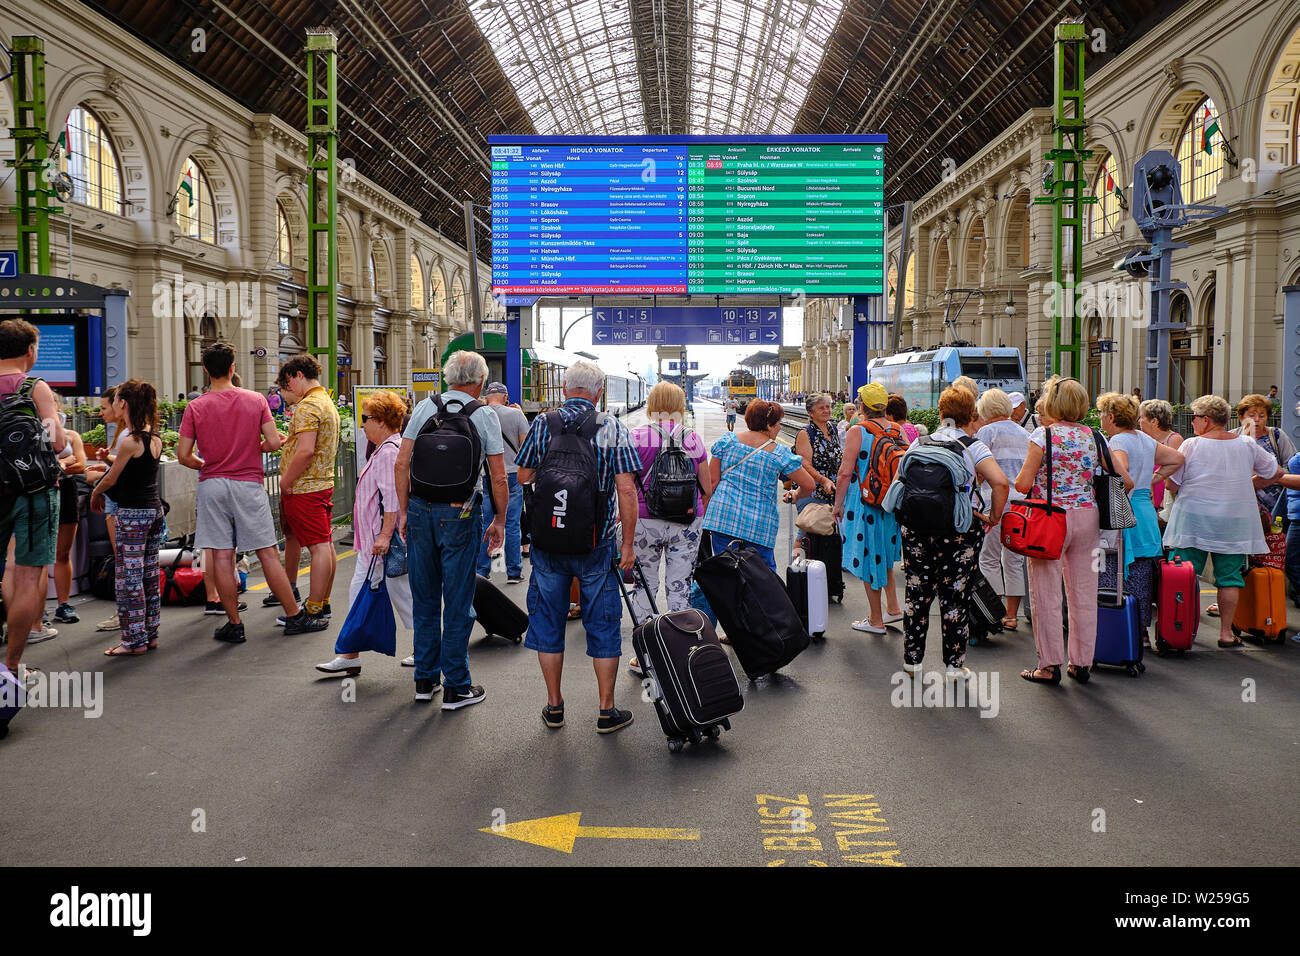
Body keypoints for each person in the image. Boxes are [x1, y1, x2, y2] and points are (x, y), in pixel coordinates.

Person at [515, 360, 639, 732]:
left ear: (565, 388)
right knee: (603, 624)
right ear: (599, 392)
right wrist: (628, 544)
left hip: (549, 543)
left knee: (548, 623)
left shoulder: (544, 423)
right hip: (596, 544)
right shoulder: (611, 426)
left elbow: (523, 475)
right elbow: (627, 488)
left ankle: (554, 706)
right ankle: (606, 710)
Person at [396, 350, 507, 709]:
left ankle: (424, 682)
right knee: (458, 603)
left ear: (447, 378)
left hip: (418, 511)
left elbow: (401, 463)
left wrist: (402, 511)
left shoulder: (425, 408)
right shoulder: (484, 414)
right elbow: (499, 476)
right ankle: (457, 686)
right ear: (479, 382)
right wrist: (500, 520)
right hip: (460, 513)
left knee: (425, 600)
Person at [178, 343, 305, 641]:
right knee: (268, 552)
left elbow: (183, 455)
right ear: (234, 368)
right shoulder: (255, 400)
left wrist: (206, 464)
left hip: (212, 484)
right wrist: (255, 447)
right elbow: (274, 441)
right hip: (248, 483)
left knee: (222, 555)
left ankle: (234, 624)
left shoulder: (196, 406)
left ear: (206, 370)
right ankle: (294, 615)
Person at [893, 387, 1008, 681]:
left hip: (917, 530)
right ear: (970, 414)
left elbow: (899, 482)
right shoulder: (973, 447)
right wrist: (992, 517)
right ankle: (954, 667)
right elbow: (1001, 483)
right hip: (959, 531)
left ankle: (912, 661)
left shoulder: (919, 443)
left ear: (941, 413)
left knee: (917, 594)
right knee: (955, 596)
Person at [1164, 395, 1285, 647]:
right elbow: (1274, 473)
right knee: (1229, 578)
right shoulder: (1247, 445)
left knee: (1186, 574)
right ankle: (1226, 633)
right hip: (1235, 519)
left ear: (1206, 420)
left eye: (1195, 417)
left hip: (1194, 518)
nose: (1193, 422)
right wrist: (1248, 484)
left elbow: (1172, 482)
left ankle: (1184, 628)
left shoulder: (1191, 445)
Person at [317, 390, 414, 676]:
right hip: (373, 543)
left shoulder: (387, 454)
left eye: (366, 418)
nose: (362, 424)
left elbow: (391, 499)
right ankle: (349, 653)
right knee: (363, 593)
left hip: (382, 544)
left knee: (403, 598)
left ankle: (426, 648)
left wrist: (384, 535)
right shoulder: (386, 449)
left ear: (382, 421)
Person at [1016, 378, 1100, 685]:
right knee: (1084, 593)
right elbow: (1122, 479)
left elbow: (1023, 484)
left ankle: (1049, 664)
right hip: (1088, 516)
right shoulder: (1094, 436)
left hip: (1051, 519)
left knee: (1046, 593)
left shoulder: (1044, 435)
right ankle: (1082, 662)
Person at [626, 382, 712, 675]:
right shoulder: (693, 439)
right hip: (686, 522)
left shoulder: (636, 436)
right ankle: (679, 656)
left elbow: (624, 488)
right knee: (679, 588)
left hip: (644, 521)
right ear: (679, 404)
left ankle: (645, 657)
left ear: (651, 403)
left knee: (644, 586)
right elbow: (707, 487)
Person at [0, 319, 67, 687]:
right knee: (27, 576)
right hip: (33, 491)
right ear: (30, 350)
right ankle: (12, 667)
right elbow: (56, 443)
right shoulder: (33, 387)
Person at [1097, 392, 1184, 642]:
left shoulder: (1117, 442)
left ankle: (1117, 630)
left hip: (1124, 512)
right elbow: (1177, 459)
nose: (1102, 419)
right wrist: (1153, 479)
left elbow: (1124, 477)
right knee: (1142, 575)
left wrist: (1119, 493)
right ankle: (1141, 630)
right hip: (1145, 511)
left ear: (1111, 417)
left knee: (1112, 574)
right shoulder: (1145, 439)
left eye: (1103, 414)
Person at [91, 380, 165, 657]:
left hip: (132, 515)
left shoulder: (129, 440)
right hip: (154, 511)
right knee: (148, 574)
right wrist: (110, 461)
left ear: (124, 404)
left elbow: (112, 478)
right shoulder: (153, 438)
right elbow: (133, 468)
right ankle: (150, 633)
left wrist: (95, 492)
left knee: (128, 578)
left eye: (118, 400)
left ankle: (133, 641)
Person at [703, 399, 815, 574]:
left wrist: (703, 513)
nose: (779, 428)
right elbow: (809, 485)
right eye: (778, 423)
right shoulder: (779, 453)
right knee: (761, 578)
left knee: (726, 574)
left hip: (723, 518)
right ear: (769, 425)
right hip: (759, 525)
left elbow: (711, 482)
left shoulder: (727, 441)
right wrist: (797, 494)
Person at [271, 355, 340, 626]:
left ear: (298, 375)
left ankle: (312, 610)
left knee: (318, 547)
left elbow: (307, 450)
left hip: (305, 487)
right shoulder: (325, 402)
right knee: (325, 544)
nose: (288, 389)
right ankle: (321, 602)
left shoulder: (307, 406)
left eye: (288, 382)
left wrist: (285, 481)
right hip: (322, 483)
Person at [834, 383, 906, 633]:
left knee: (867, 558)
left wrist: (837, 504)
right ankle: (893, 609)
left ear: (862, 406)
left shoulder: (858, 430)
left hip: (863, 501)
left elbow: (845, 473)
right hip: (890, 504)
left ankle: (876, 619)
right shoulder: (897, 429)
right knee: (883, 554)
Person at [975, 388, 1030, 630]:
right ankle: (1011, 615)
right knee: (1014, 560)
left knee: (989, 558)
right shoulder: (1024, 432)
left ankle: (992, 612)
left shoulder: (986, 432)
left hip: (993, 500)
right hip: (1020, 504)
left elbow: (978, 470)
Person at [476, 382, 529, 584]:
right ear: (505, 397)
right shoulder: (516, 415)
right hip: (513, 474)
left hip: (488, 475)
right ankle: (514, 572)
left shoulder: (479, 414)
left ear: (488, 397)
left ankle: (482, 570)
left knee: (486, 522)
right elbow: (526, 447)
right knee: (512, 523)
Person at [85, 387, 126, 632]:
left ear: (119, 404)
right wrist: (108, 462)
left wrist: (97, 486)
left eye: (103, 407)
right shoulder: (126, 432)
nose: (100, 413)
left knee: (121, 558)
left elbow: (122, 472)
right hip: (121, 499)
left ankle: (123, 614)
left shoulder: (125, 435)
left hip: (116, 501)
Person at [51, 419, 90, 624]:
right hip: (42, 491)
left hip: (66, 490)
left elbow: (82, 465)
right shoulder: (34, 432)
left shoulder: (71, 435)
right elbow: (46, 468)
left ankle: (63, 604)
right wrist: (64, 463)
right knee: (36, 558)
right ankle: (38, 611)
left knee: (63, 552)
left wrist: (60, 468)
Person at [794, 392, 841, 547]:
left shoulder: (833, 429)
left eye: (828, 407)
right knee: (806, 532)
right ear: (810, 412)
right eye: (821, 408)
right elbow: (805, 464)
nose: (826, 410)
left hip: (832, 491)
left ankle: (825, 567)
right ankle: (798, 567)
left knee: (827, 534)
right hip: (812, 492)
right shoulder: (806, 433)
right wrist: (823, 480)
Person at [1139, 398, 1183, 525]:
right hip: (1148, 500)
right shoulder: (1145, 440)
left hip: (1163, 506)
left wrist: (1164, 508)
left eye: (1142, 417)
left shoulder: (1173, 440)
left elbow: (1174, 475)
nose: (1139, 421)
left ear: (1154, 421)